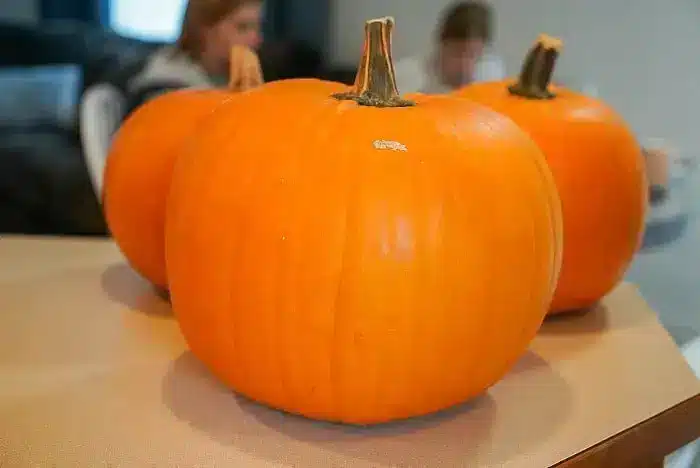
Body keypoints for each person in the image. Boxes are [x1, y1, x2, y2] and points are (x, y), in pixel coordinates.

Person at [127, 0, 264, 105]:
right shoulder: (165, 92)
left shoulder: (225, 79)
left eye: (257, 28)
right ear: (204, 29)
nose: (256, 39)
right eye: (242, 28)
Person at [394, 1, 505, 94]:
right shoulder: (404, 79)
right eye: (457, 53)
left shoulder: (491, 77)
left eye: (473, 55)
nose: (465, 67)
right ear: (441, 45)